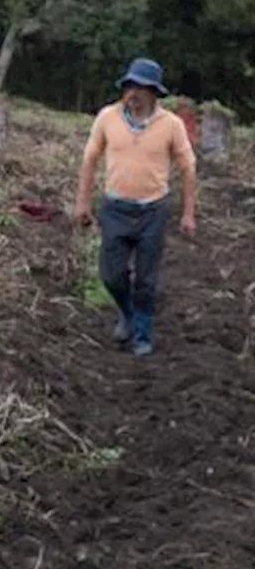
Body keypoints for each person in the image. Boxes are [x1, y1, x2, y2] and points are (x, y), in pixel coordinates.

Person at [74, 58, 197, 356]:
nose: (133, 93)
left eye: (141, 88)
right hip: (115, 207)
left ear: (154, 92)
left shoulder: (171, 125)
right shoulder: (107, 117)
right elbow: (90, 160)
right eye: (130, 86)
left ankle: (142, 333)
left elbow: (188, 167)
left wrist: (188, 213)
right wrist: (83, 202)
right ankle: (128, 313)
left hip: (153, 210)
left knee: (146, 279)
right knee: (111, 275)